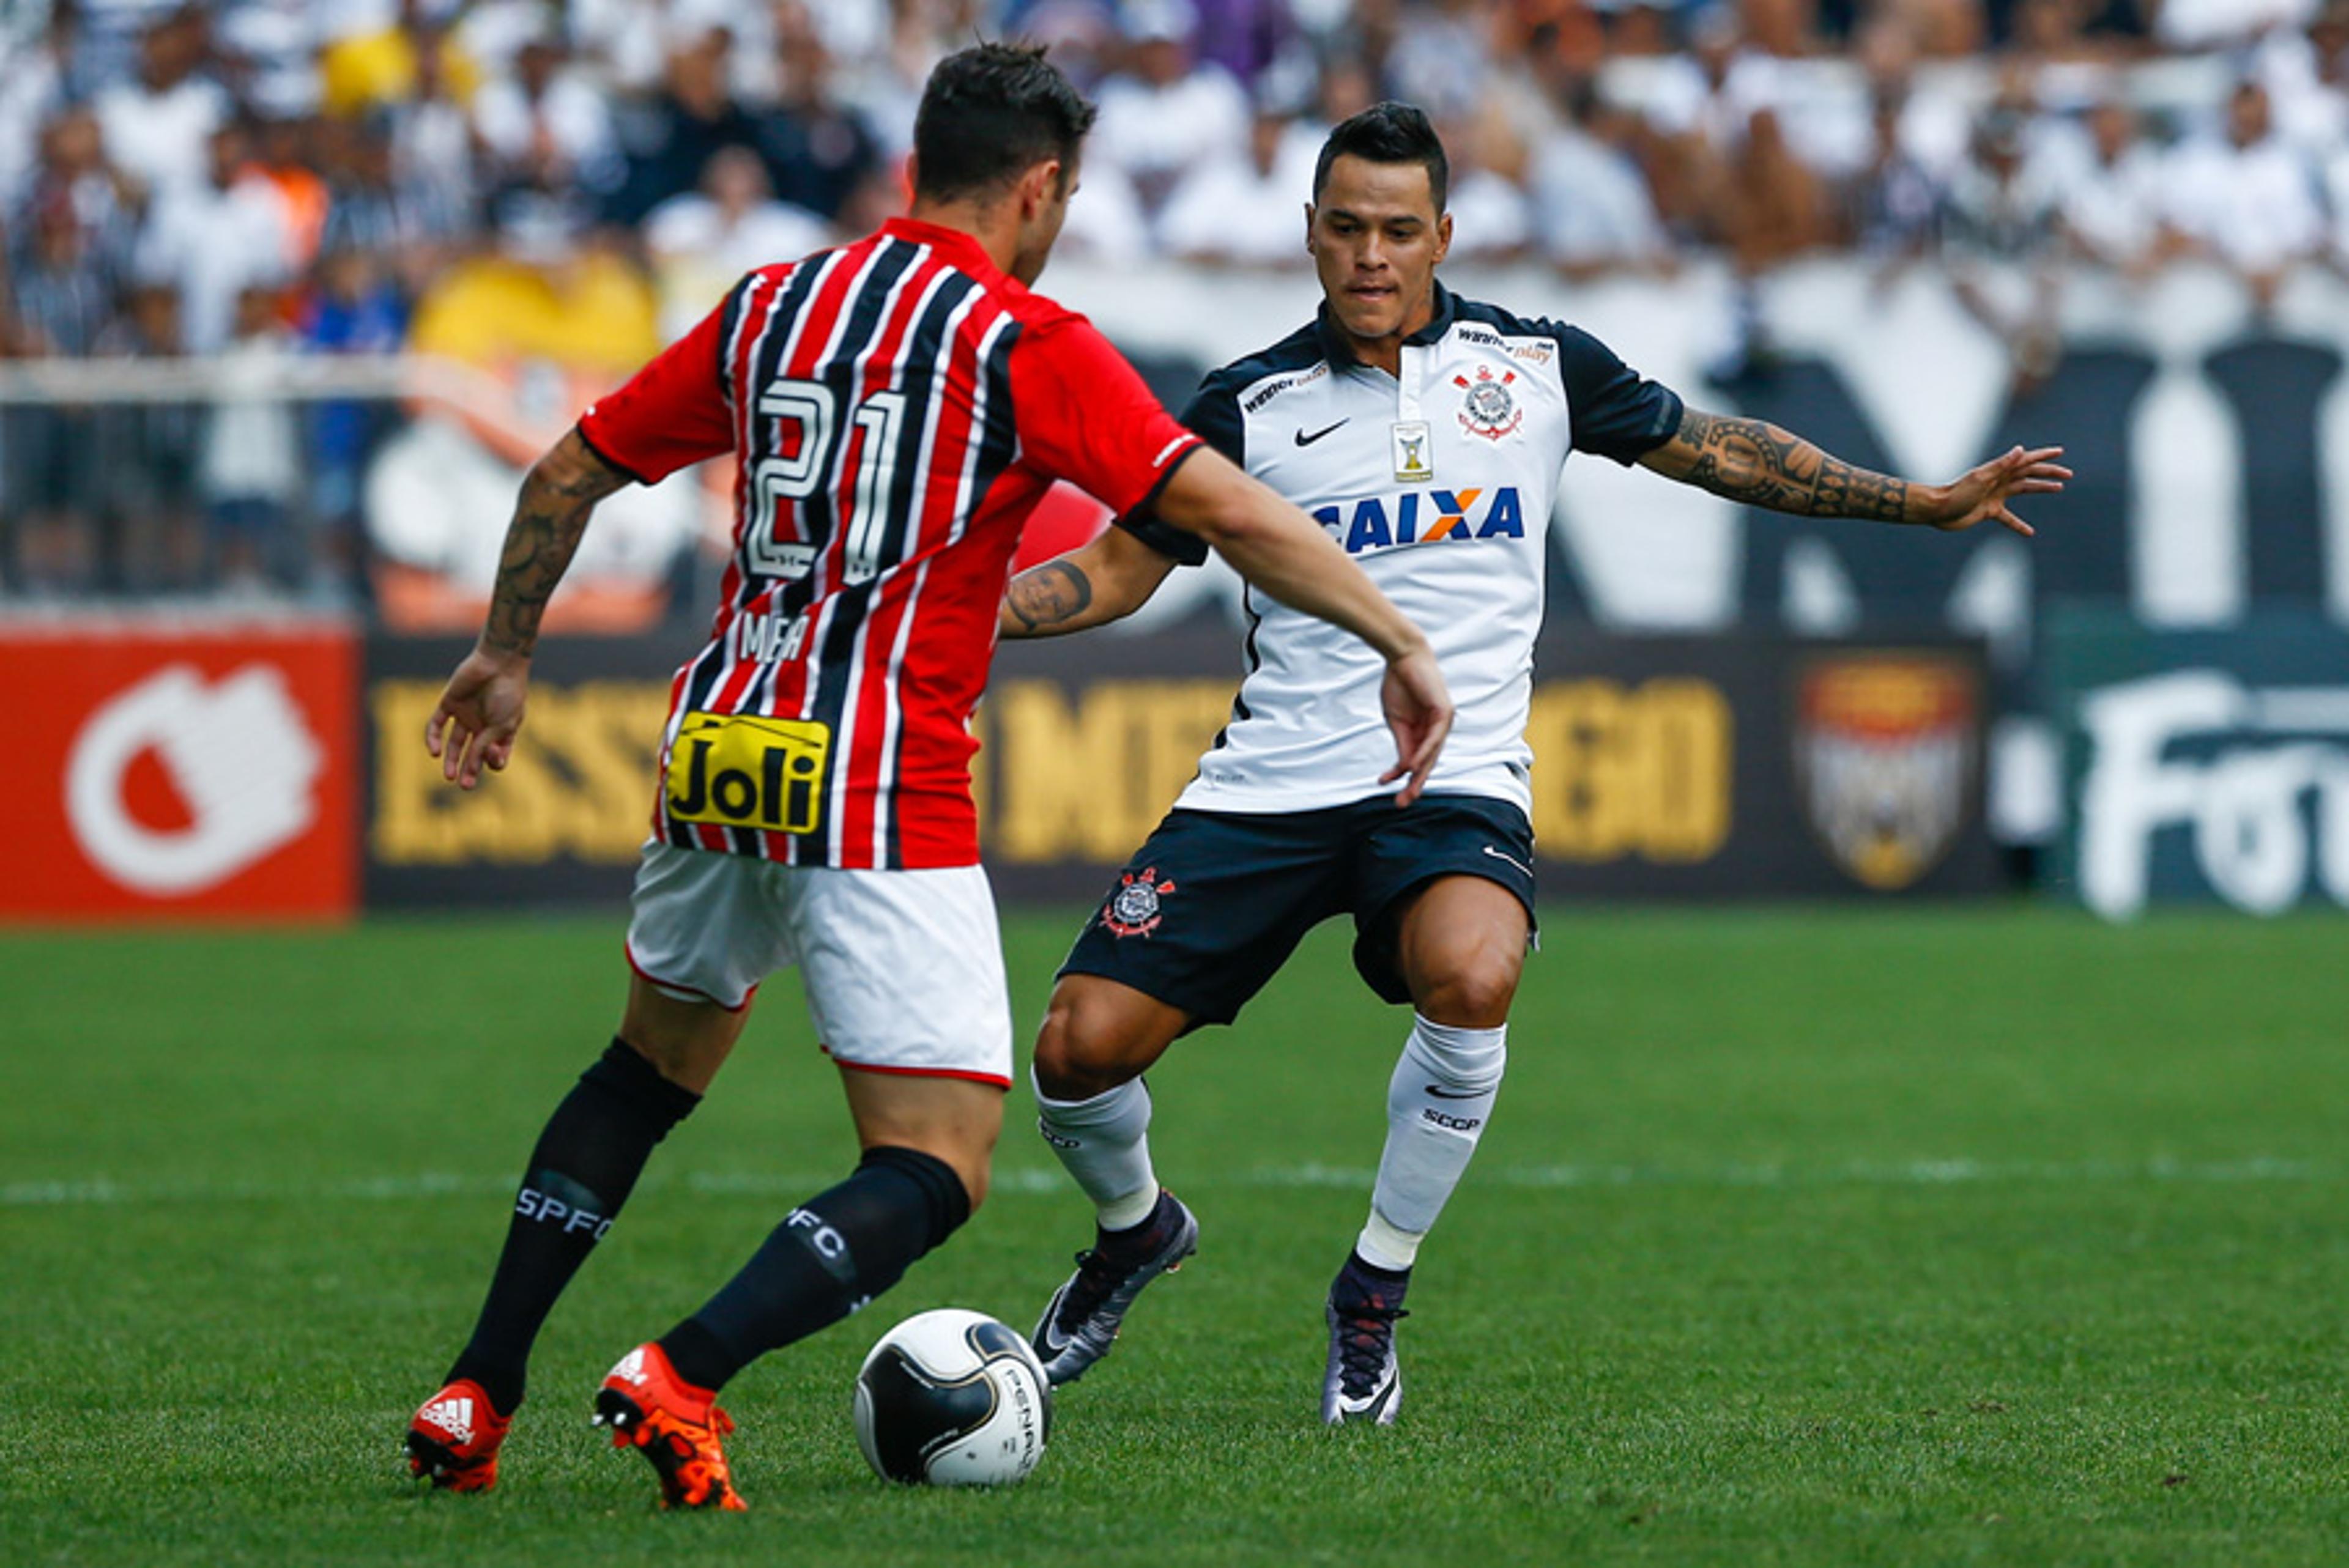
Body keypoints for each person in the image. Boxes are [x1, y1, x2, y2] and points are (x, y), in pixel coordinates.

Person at [401, 43, 1453, 1511]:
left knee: (645, 1069)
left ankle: (475, 1389)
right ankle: (682, 1370)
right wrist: (1397, 632)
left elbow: (566, 473)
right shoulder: (1024, 342)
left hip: (718, 744)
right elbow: (1219, 505)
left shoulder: (771, 305)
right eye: (1064, 198)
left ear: (914, 168)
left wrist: (504, 654)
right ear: (1037, 188)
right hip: (876, 774)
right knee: (939, 1159)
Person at [1001, 102, 2068, 1427]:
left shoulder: (1537, 367)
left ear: (1445, 235)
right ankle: (1135, 1229)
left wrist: (1920, 501)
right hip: (1273, 778)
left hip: (1450, 777)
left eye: (1400, 230)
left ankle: (1372, 1293)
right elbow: (1115, 570)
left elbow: (1719, 448)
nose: (1372, 257)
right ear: (1311, 237)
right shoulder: (1247, 402)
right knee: (1072, 1051)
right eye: (1347, 230)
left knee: (1475, 969)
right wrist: (964, 609)